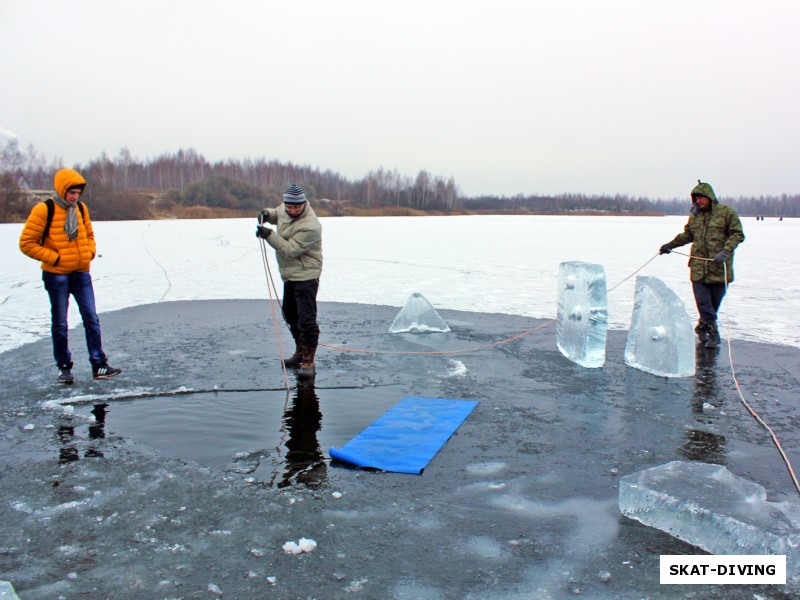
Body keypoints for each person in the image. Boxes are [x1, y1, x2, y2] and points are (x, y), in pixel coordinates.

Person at [19, 168, 122, 383]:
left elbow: (89, 235)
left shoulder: (81, 210)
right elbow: (26, 244)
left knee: (91, 319)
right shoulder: (44, 210)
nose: (74, 197)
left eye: (78, 193)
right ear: (61, 189)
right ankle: (64, 368)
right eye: (71, 192)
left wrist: (89, 253)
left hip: (81, 273)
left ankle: (99, 365)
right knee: (60, 322)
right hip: (56, 275)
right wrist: (55, 258)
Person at [659, 180, 745, 349]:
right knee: (704, 304)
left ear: (710, 197)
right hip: (699, 269)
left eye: (700, 198)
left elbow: (737, 234)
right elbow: (687, 235)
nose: (698, 201)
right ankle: (714, 334)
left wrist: (726, 251)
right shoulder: (695, 216)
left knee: (713, 306)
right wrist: (670, 245)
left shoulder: (726, 213)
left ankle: (702, 326)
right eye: (695, 199)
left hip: (720, 269)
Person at [256, 184, 323, 379]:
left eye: (296, 207)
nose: (292, 210)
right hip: (290, 274)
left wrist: (268, 234)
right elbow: (277, 213)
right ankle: (300, 351)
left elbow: (291, 250)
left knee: (306, 319)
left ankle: (309, 361)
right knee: (290, 314)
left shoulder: (311, 226)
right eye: (289, 207)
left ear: (304, 204)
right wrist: (266, 214)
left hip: (306, 275)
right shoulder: (285, 209)